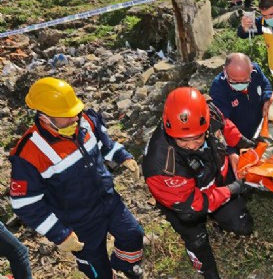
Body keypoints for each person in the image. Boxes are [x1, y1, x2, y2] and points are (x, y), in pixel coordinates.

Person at [9, 77, 144, 279]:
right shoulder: (28, 153)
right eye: (67, 115)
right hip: (79, 223)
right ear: (45, 117)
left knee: (133, 235)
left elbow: (105, 144)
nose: (75, 118)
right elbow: (24, 203)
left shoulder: (86, 120)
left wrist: (122, 156)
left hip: (109, 202)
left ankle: (125, 265)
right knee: (97, 268)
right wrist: (60, 234)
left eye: (75, 112)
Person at [142, 87, 254, 279]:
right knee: (197, 240)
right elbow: (194, 205)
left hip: (214, 180)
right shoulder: (161, 166)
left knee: (243, 226)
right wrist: (232, 189)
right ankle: (207, 271)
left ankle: (223, 218)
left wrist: (244, 143)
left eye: (198, 137)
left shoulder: (205, 110)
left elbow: (225, 126)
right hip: (187, 205)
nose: (193, 145)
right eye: (183, 141)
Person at [209, 53, 273, 140]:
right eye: (234, 81)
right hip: (237, 139)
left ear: (251, 69)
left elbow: (266, 85)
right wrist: (234, 148)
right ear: (225, 71)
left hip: (260, 129)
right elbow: (222, 122)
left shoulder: (256, 71)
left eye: (245, 80)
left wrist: (267, 100)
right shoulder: (218, 89)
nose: (240, 85)